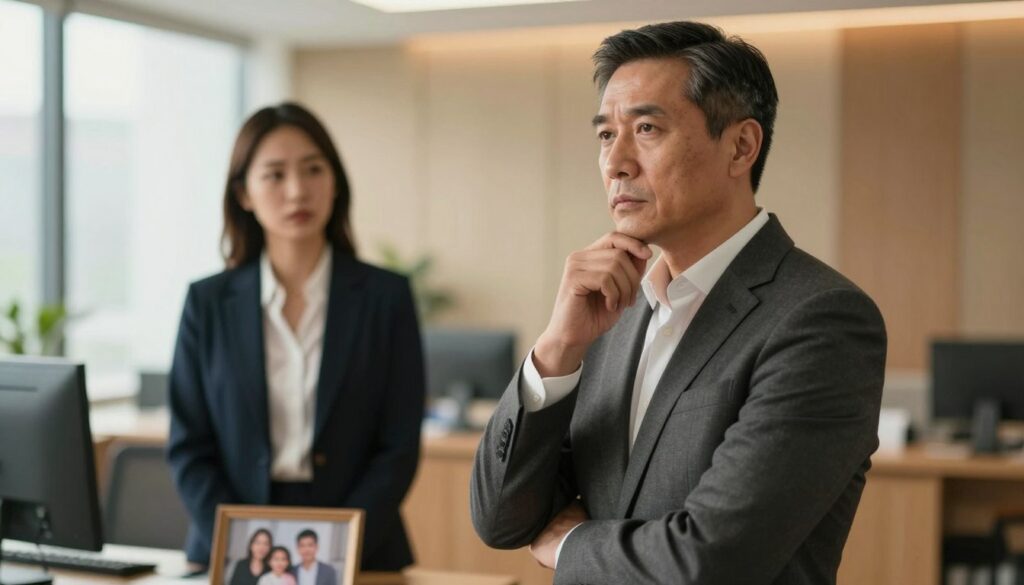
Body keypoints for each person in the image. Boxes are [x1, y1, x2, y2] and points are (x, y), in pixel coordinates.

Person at [470, 21, 887, 584]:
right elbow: (500, 520)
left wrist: (568, 543)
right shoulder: (611, 313)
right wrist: (557, 348)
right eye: (604, 135)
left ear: (740, 146)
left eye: (645, 128)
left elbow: (712, 560)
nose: (615, 162)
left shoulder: (821, 319)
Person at [168, 102, 425, 573]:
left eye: (313, 170)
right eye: (274, 174)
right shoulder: (207, 303)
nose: (297, 191)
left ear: (335, 183)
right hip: (231, 543)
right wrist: (243, 549)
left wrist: (337, 547)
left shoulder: (386, 297)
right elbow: (189, 446)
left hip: (361, 543)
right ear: (244, 193)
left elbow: (399, 444)